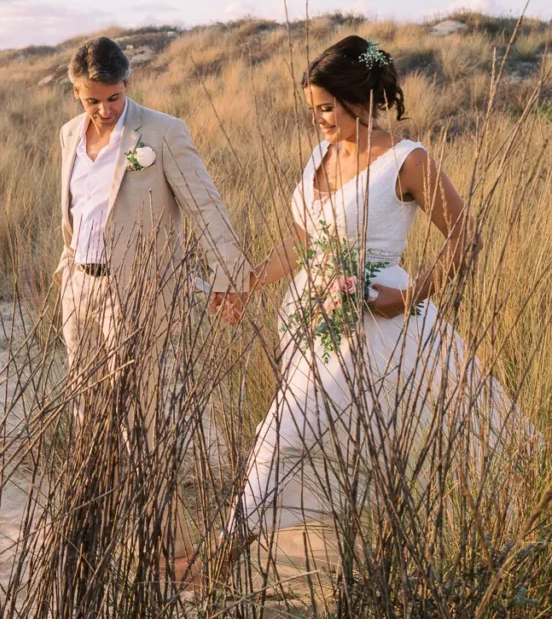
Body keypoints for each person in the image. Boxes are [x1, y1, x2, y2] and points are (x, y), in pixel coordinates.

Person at [218, 35, 525, 582]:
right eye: (313, 110)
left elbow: (465, 237)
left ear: (361, 98)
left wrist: (410, 297)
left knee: (287, 429)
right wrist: (249, 285)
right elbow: (302, 239)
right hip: (312, 320)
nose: (320, 120)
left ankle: (221, 553)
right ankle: (372, 550)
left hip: (376, 322)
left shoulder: (407, 161)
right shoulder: (322, 154)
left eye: (327, 108)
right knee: (346, 436)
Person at [54, 36, 250, 584]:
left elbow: (205, 205)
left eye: (112, 98)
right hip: (81, 294)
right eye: (91, 99)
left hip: (139, 295)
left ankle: (170, 550)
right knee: (87, 419)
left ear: (127, 84)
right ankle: (99, 535)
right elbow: (77, 212)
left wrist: (231, 277)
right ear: (76, 93)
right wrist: (68, 275)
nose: (103, 110)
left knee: (141, 426)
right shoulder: (69, 134)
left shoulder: (162, 132)